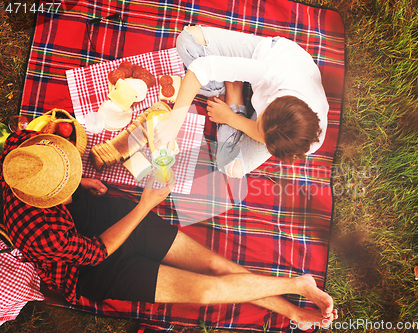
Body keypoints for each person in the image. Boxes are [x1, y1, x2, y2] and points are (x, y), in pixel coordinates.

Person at [1, 130, 337, 328]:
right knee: (205, 291)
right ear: (44, 200)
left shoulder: (24, 150)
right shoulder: (39, 233)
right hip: (88, 270)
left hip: (99, 215)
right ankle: (298, 288)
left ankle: (294, 308)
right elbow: (95, 253)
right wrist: (146, 204)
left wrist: (79, 181)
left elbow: (56, 171)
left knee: (214, 264)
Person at [154, 26, 328, 178]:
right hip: (269, 54)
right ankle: (227, 86)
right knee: (188, 40)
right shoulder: (271, 74)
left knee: (230, 166)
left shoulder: (305, 141)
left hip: (275, 123)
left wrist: (230, 117)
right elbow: (200, 68)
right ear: (271, 100)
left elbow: (264, 134)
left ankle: (233, 89)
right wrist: (174, 122)